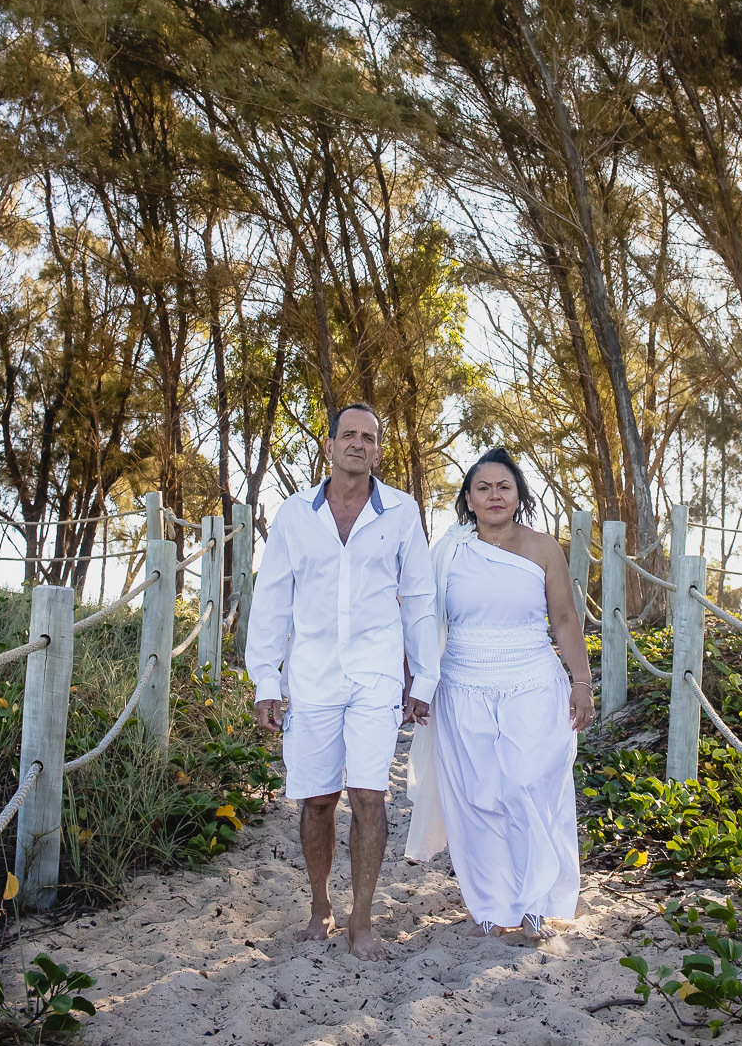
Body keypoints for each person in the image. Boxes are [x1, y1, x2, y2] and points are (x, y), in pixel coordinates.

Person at [246, 403, 439, 960]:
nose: (358, 443)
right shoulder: (293, 516)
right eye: (348, 435)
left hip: (377, 676)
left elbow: (420, 600)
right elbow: (272, 601)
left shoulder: (402, 512)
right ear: (329, 445)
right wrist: (266, 679)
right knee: (318, 800)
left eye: (369, 437)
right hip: (312, 676)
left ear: (378, 449)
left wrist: (422, 678)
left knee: (370, 796)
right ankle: (319, 907)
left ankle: (361, 919)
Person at [406, 448, 595, 941]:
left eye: (503, 487)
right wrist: (418, 683)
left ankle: (535, 902)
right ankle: (491, 906)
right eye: (483, 487)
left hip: (532, 681)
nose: (494, 495)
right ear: (467, 498)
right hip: (462, 685)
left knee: (525, 786)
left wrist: (582, 684)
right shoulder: (447, 550)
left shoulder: (543, 548)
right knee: (477, 797)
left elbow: (566, 619)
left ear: (518, 495)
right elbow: (424, 620)